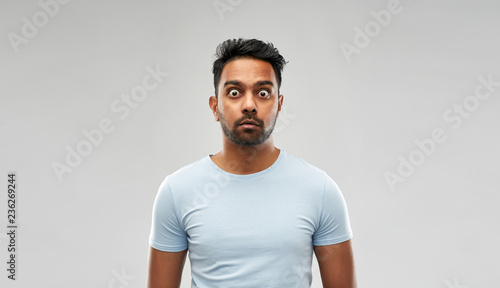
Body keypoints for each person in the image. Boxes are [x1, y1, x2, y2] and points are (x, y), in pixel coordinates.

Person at [147, 38, 356, 288]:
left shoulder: (320, 190)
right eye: (234, 92)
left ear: (278, 105)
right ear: (215, 107)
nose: (249, 105)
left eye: (263, 93)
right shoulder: (177, 191)